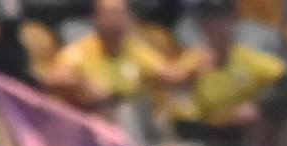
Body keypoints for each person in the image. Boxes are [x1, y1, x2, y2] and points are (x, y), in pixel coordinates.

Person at [168, 0, 287, 146]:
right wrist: (189, 80)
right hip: (202, 138)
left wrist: (259, 106)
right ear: (203, 25)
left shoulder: (248, 59)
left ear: (234, 20)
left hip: (238, 137)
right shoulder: (192, 63)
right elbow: (183, 122)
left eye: (224, 18)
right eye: (211, 20)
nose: (219, 26)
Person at [44, 0, 188, 128]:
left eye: (119, 14)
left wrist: (195, 60)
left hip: (132, 125)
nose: (114, 22)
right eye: (108, 14)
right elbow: (54, 78)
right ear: (96, 18)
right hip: (92, 125)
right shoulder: (81, 50)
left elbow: (173, 77)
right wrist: (84, 83)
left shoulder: (135, 51)